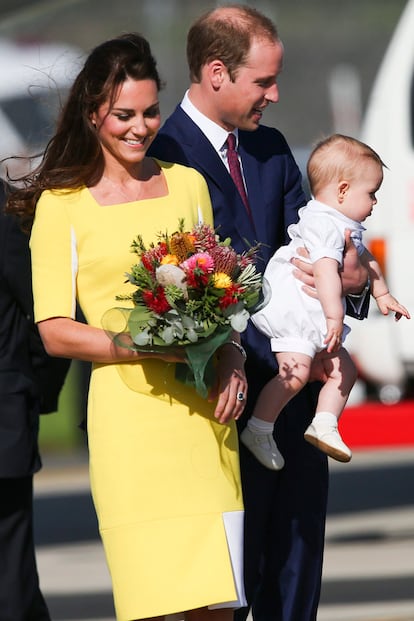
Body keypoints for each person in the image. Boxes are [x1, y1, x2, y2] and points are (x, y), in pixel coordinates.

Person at [6, 33, 249, 621]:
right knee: (153, 602)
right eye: (123, 115)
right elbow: (55, 330)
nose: (140, 127)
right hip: (129, 427)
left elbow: (219, 296)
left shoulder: (188, 185)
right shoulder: (62, 205)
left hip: (203, 418)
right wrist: (142, 344)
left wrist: (233, 357)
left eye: (149, 112)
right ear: (94, 116)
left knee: (218, 604)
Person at [149, 6, 371, 621]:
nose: (275, 95)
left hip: (295, 398)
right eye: (263, 82)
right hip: (216, 402)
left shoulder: (271, 149)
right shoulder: (161, 157)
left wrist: (352, 280)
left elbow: (322, 247)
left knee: (297, 572)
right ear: (216, 72)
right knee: (226, 585)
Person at [244, 134, 410, 470]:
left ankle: (325, 423)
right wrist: (335, 318)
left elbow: (365, 262)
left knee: (343, 368)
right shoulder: (322, 223)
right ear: (343, 190)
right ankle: (259, 428)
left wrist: (382, 294)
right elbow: (323, 272)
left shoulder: (344, 223)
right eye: (371, 193)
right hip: (293, 314)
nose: (375, 202)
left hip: (313, 315)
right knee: (296, 372)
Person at [0, 178, 70, 620]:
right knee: (11, 571)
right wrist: (35, 392)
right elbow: (48, 314)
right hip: (6, 411)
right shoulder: (9, 209)